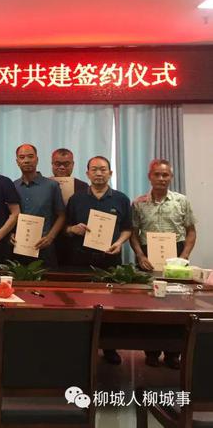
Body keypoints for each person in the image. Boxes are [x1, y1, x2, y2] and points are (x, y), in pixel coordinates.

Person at [65, 155, 132, 365]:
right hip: (80, 260)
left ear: (110, 173)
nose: (99, 173)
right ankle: (80, 346)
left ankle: (109, 348)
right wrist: (73, 229)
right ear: (87, 173)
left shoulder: (121, 199)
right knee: (80, 305)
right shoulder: (76, 199)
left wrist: (119, 243)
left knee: (110, 306)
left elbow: (127, 229)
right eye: (94, 169)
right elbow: (65, 228)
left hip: (110, 261)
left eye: (103, 169)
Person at [131, 158, 197, 369]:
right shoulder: (138, 203)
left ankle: (173, 354)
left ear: (171, 177)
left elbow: (191, 232)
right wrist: (140, 256)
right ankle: (151, 352)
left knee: (176, 306)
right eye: (157, 174)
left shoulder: (181, 201)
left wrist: (183, 257)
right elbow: (133, 233)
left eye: (165, 175)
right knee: (149, 306)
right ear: (149, 177)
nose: (161, 178)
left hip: (176, 256)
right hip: (148, 257)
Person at [13, 144, 65, 268]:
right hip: (18, 247)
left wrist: (50, 237)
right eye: (22, 157)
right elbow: (10, 215)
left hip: (44, 248)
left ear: (37, 159)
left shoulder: (51, 186)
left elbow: (62, 215)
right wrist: (10, 234)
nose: (26, 160)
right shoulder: (13, 186)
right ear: (17, 161)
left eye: (30, 156)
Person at [52, 148, 90, 267]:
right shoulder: (44, 184)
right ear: (52, 164)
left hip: (74, 242)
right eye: (57, 164)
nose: (62, 167)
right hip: (49, 240)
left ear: (73, 164)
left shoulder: (83, 187)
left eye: (66, 164)